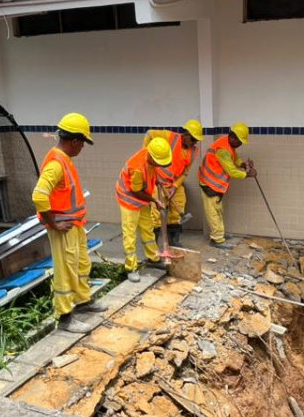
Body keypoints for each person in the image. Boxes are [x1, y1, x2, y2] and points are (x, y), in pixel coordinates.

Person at [32, 113, 106, 332]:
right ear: (74, 140)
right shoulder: (56, 164)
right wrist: (53, 224)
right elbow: (38, 196)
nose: (82, 147)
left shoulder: (64, 159)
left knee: (81, 264)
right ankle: (65, 317)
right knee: (65, 271)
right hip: (62, 228)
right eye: (82, 142)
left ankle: (83, 302)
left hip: (73, 225)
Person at [116, 137, 173, 283]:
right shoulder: (137, 167)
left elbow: (150, 173)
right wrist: (155, 200)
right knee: (130, 235)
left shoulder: (150, 156)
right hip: (129, 201)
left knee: (148, 229)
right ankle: (131, 267)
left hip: (142, 200)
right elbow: (136, 191)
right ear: (152, 157)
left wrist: (157, 179)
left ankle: (153, 258)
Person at [143, 119, 203, 247]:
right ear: (185, 134)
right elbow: (149, 134)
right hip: (158, 182)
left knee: (178, 208)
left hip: (174, 183)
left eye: (196, 141)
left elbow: (185, 173)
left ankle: (174, 240)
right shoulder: (170, 137)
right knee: (157, 213)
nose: (194, 143)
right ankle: (153, 244)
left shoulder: (194, 151)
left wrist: (175, 186)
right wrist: (146, 157)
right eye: (192, 139)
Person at [197, 123, 256, 249]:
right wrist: (248, 174)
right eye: (239, 141)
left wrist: (243, 164)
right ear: (233, 137)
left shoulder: (227, 144)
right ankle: (217, 239)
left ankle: (220, 233)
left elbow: (234, 158)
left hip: (214, 183)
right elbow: (231, 172)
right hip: (209, 183)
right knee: (212, 212)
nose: (240, 144)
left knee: (217, 210)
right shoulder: (223, 150)